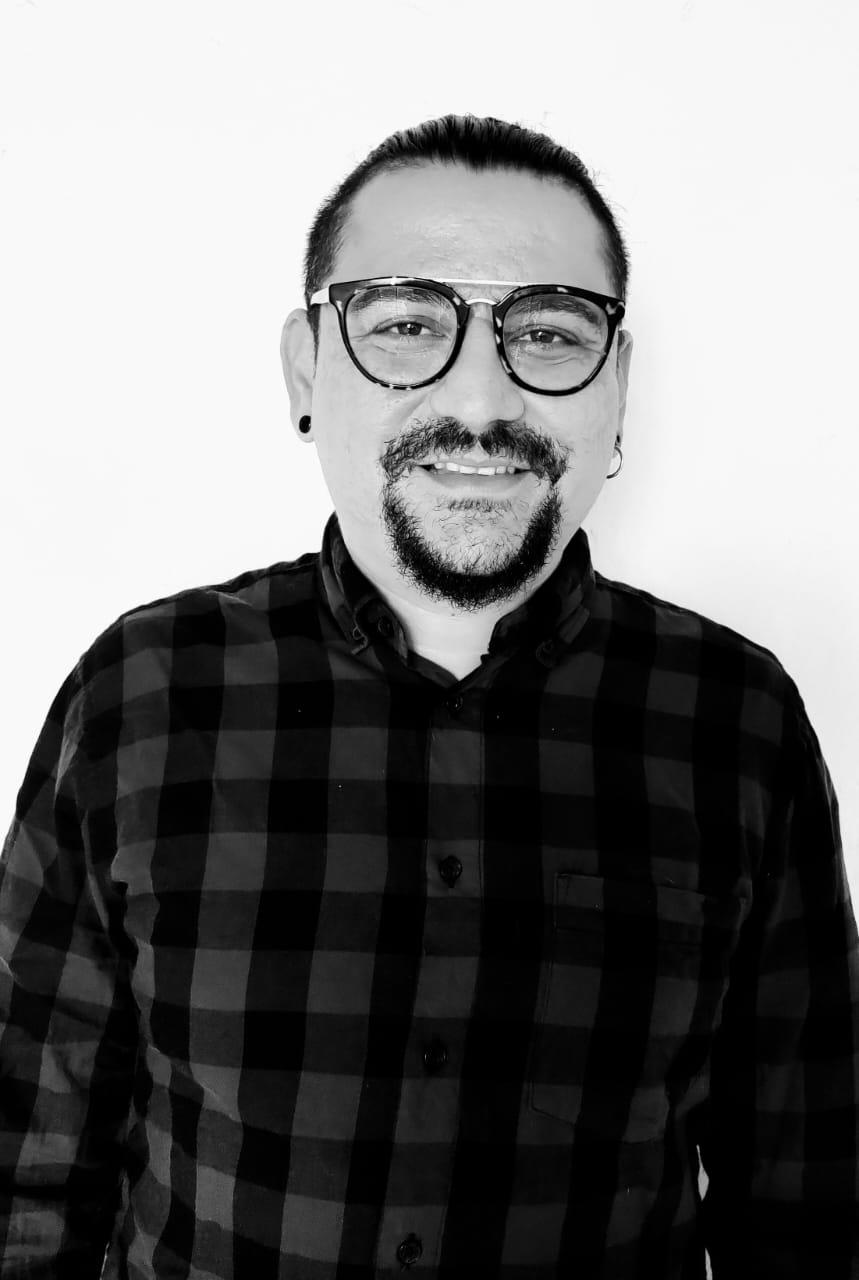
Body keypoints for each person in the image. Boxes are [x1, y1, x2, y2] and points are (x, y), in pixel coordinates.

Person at [0, 113, 856, 1280]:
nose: (483, 400)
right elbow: (29, 1168)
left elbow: (808, 1205)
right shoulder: (140, 691)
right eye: (406, 325)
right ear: (306, 370)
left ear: (616, 385)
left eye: (548, 331)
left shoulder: (737, 720)